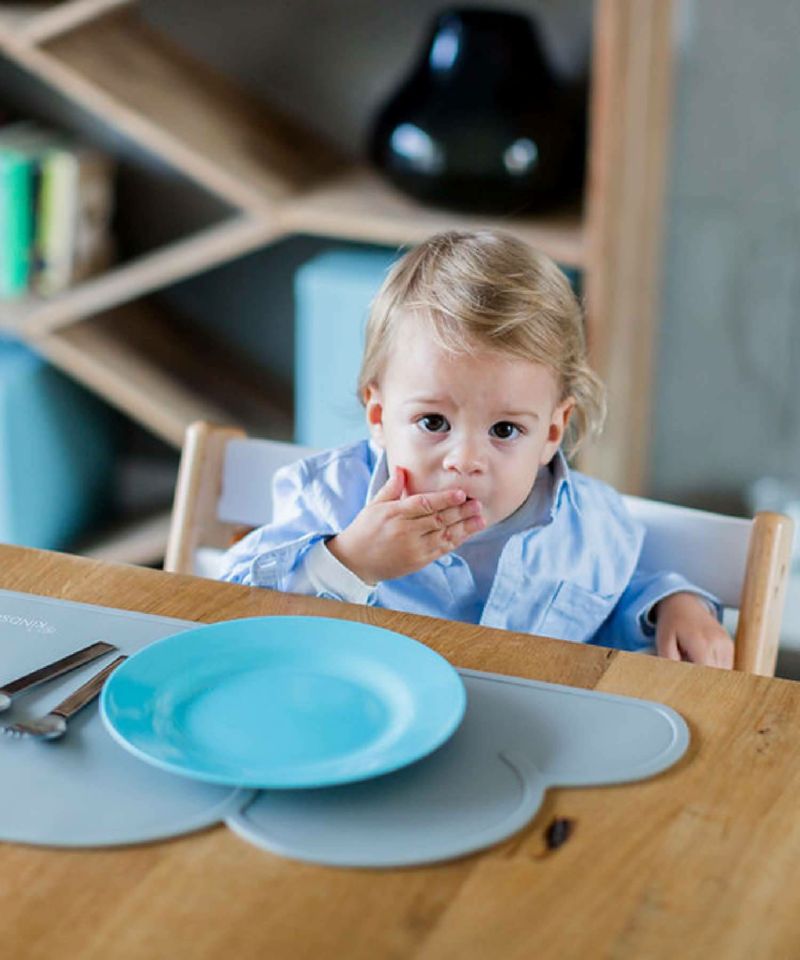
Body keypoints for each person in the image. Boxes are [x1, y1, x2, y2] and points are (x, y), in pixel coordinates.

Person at [220, 230, 733, 667]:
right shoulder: (330, 497)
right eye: (433, 422)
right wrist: (351, 560)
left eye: (505, 430)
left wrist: (674, 604)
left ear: (552, 432)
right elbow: (226, 604)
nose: (465, 460)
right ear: (378, 417)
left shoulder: (589, 528)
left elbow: (617, 599)